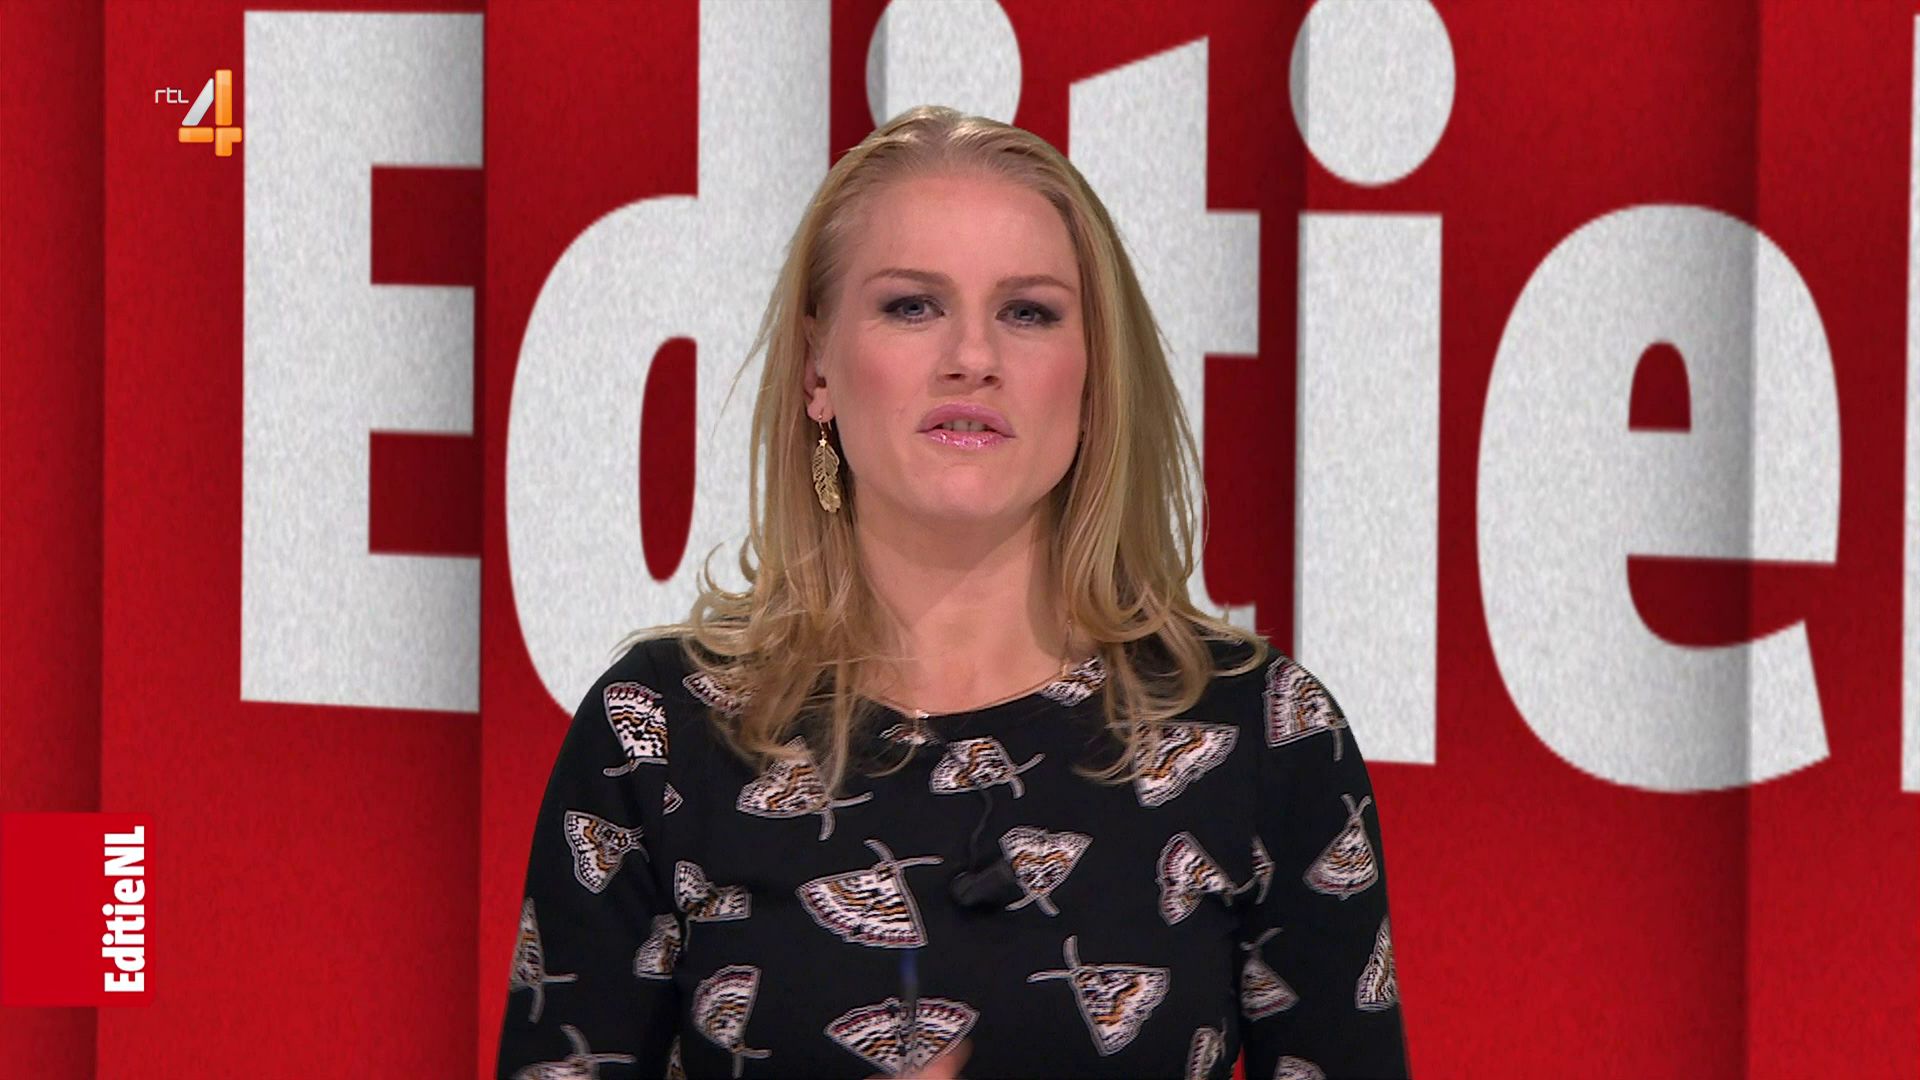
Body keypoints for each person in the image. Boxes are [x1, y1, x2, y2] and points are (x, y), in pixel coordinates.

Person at [494, 104, 1410, 1080]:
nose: (973, 356)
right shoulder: (656, 733)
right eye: (911, 306)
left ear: (1094, 377)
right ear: (816, 368)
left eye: (1029, 312)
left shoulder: (1265, 734)